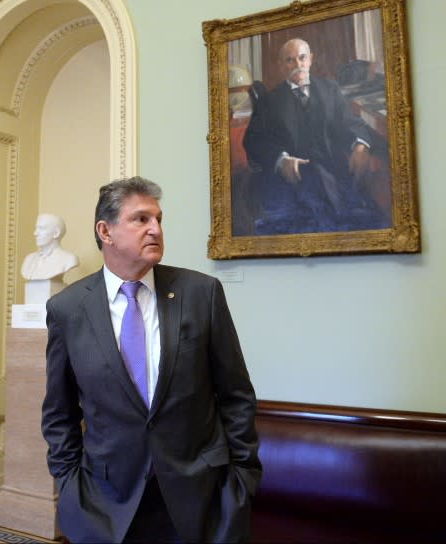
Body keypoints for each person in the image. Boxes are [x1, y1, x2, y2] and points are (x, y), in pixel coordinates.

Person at [41, 177, 261, 543]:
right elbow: (59, 412)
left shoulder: (200, 294)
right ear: (105, 231)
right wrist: (69, 486)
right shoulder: (67, 309)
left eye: (158, 219)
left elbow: (236, 394)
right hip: (107, 505)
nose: (155, 229)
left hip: (200, 498)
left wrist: (241, 480)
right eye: (141, 219)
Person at [242, 38, 389, 235]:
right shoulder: (270, 101)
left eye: (302, 58)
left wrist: (360, 145)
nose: (298, 65)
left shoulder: (331, 90)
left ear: (310, 59)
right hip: (292, 179)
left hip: (333, 172)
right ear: (281, 67)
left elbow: (350, 124)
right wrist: (281, 159)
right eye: (290, 60)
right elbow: (253, 141)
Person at [20, 213, 79, 281]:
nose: (35, 233)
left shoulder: (70, 259)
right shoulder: (29, 259)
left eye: (41, 228)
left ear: (56, 233)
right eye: (36, 228)